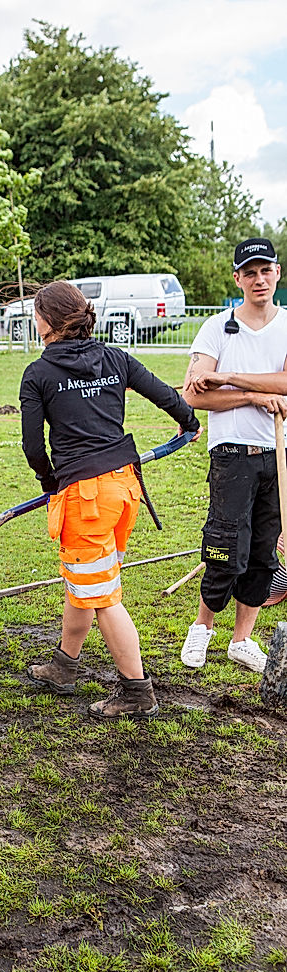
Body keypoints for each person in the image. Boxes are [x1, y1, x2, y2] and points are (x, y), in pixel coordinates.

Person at [19, 281, 200, 719]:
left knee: (102, 597)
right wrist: (188, 421)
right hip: (123, 489)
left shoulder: (39, 374)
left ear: (45, 322)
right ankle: (65, 665)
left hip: (85, 499)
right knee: (88, 580)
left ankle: (137, 692)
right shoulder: (114, 357)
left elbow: (32, 447)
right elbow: (165, 394)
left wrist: (49, 481)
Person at [180, 237, 287, 672]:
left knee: (263, 553)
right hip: (232, 456)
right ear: (237, 278)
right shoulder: (216, 327)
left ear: (277, 273)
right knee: (225, 547)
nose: (259, 279)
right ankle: (202, 629)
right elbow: (194, 393)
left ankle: (242, 640)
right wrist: (251, 396)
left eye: (266, 270)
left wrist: (229, 378)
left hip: (278, 454)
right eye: (250, 272)